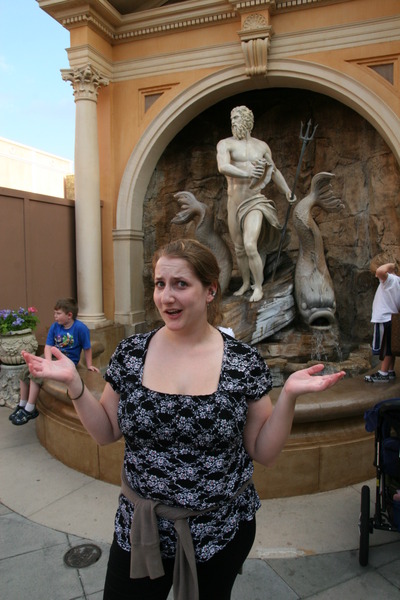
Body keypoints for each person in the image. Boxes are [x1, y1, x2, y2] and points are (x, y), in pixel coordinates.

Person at [22, 239, 345, 600]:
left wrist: (289, 397)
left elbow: (263, 452)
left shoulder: (243, 362)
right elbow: (106, 432)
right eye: (160, 284)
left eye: (180, 284)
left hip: (219, 531)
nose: (166, 297)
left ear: (210, 290)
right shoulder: (131, 353)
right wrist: (74, 383)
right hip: (142, 529)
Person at [216, 105, 295, 302]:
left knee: (250, 245)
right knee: (239, 248)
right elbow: (223, 166)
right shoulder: (225, 144)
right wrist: (247, 173)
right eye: (232, 118)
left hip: (255, 201)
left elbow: (274, 171)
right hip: (234, 202)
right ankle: (245, 283)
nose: (233, 121)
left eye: (237, 117)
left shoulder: (262, 147)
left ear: (247, 121)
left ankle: (258, 287)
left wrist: (287, 190)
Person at [11, 297, 99, 425]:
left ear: (69, 315)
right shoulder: (54, 327)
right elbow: (48, 346)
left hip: (66, 361)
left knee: (35, 375)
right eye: (54, 313)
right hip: (51, 358)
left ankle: (30, 408)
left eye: (58, 313)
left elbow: (87, 348)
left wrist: (89, 365)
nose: (55, 316)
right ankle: (22, 404)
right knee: (25, 371)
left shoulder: (80, 328)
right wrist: (48, 361)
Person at [365, 261, 400, 383]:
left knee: (386, 347)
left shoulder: (389, 279)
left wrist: (391, 265)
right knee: (391, 344)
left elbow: (380, 271)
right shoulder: (397, 281)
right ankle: (390, 371)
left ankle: (383, 373)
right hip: (391, 318)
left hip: (384, 318)